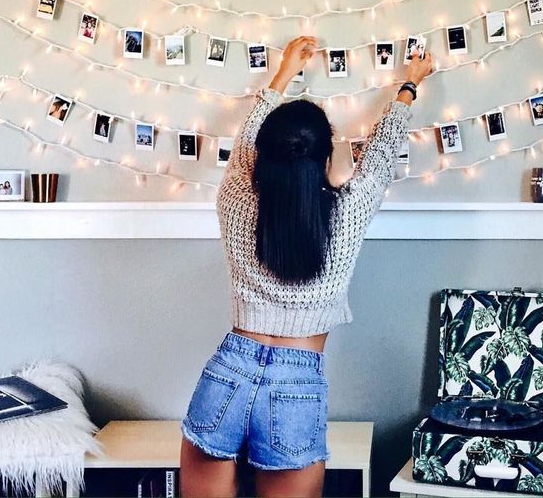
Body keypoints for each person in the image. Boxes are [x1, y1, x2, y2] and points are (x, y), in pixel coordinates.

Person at [180, 36, 434, 498]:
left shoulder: (235, 198)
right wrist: (408, 87)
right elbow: (379, 157)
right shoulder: (348, 211)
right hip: (296, 383)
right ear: (324, 158)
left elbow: (244, 148)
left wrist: (282, 74)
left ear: (264, 154)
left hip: (228, 372)